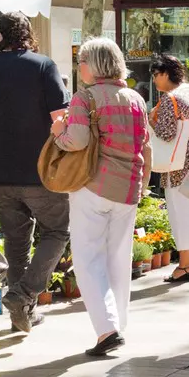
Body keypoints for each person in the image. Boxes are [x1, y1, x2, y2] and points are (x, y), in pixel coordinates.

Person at [0, 14, 71, 335]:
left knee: (17, 244)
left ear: (0, 36)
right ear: (27, 34)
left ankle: (22, 316)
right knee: (57, 232)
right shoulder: (43, 65)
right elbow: (59, 117)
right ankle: (23, 295)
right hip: (43, 174)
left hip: (4, 175)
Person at [50, 38, 151, 358]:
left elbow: (77, 140)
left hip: (93, 186)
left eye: (82, 61)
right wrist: (143, 184)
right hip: (128, 189)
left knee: (88, 259)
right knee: (118, 259)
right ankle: (118, 324)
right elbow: (145, 147)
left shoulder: (85, 98)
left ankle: (107, 330)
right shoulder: (135, 97)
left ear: (93, 65)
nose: (79, 67)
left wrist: (57, 134)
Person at [148, 53, 189, 284]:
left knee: (180, 214)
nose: (155, 81)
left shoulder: (170, 99)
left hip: (176, 166)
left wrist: (151, 119)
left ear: (165, 74)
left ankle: (184, 265)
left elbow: (165, 133)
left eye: (156, 75)